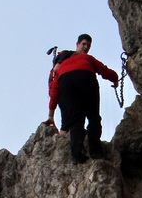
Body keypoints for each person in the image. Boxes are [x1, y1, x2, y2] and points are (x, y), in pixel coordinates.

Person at [48, 34, 118, 163]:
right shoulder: (87, 58)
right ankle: (95, 150)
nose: (86, 47)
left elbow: (55, 92)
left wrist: (50, 115)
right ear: (77, 44)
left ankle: (77, 153)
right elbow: (104, 70)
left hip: (66, 82)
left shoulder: (62, 66)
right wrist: (115, 79)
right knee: (93, 116)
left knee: (76, 120)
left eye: (88, 45)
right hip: (86, 77)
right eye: (84, 44)